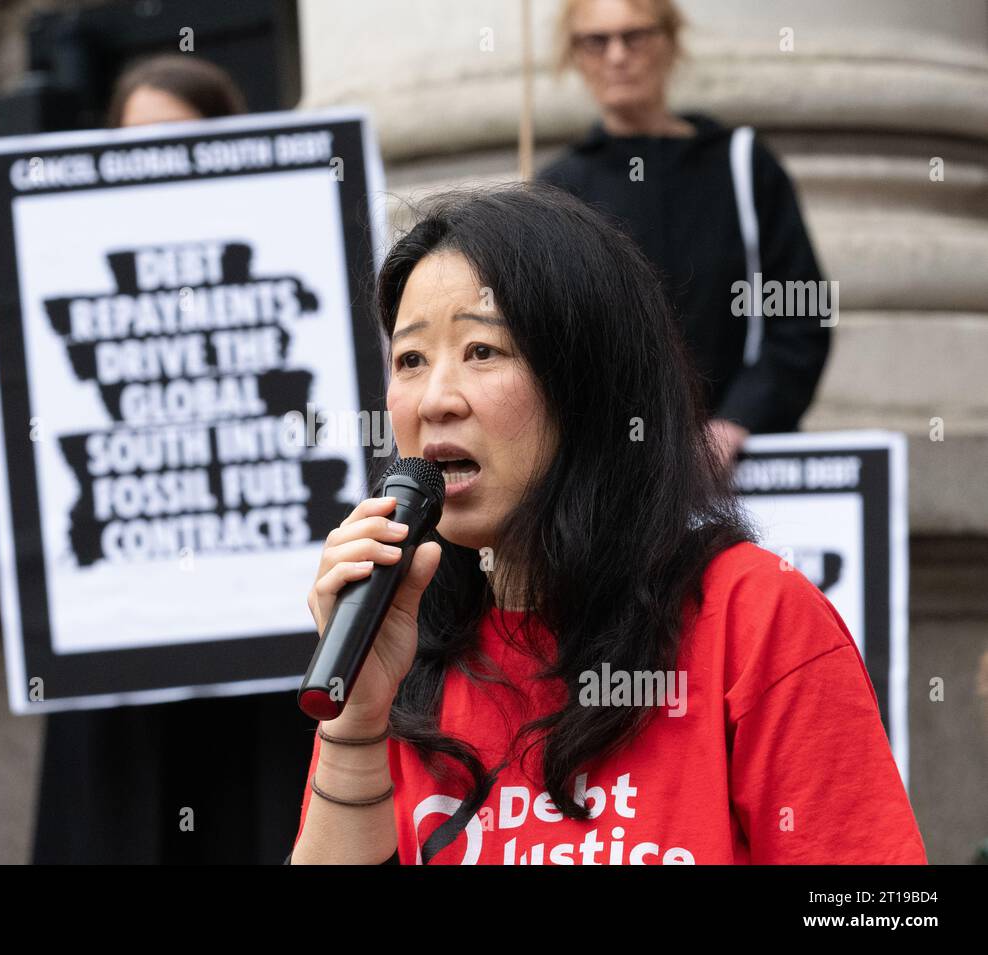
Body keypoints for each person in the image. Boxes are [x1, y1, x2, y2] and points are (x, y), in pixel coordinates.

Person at [287, 184, 925, 864]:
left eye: (482, 351)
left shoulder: (752, 616)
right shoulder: (397, 643)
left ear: (589, 385)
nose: (436, 399)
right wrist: (354, 726)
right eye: (410, 359)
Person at [0, 54, 316, 863]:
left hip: (258, 652)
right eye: (133, 142)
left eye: (176, 141)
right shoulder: (66, 261)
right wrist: (21, 401)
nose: (151, 162)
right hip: (119, 652)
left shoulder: (291, 251)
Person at [536, 0, 832, 470]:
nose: (616, 56)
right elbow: (551, 348)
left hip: (746, 471)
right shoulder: (555, 192)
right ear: (575, 56)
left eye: (635, 36)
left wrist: (737, 421)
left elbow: (800, 312)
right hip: (617, 480)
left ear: (670, 42)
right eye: (596, 41)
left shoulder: (742, 165)